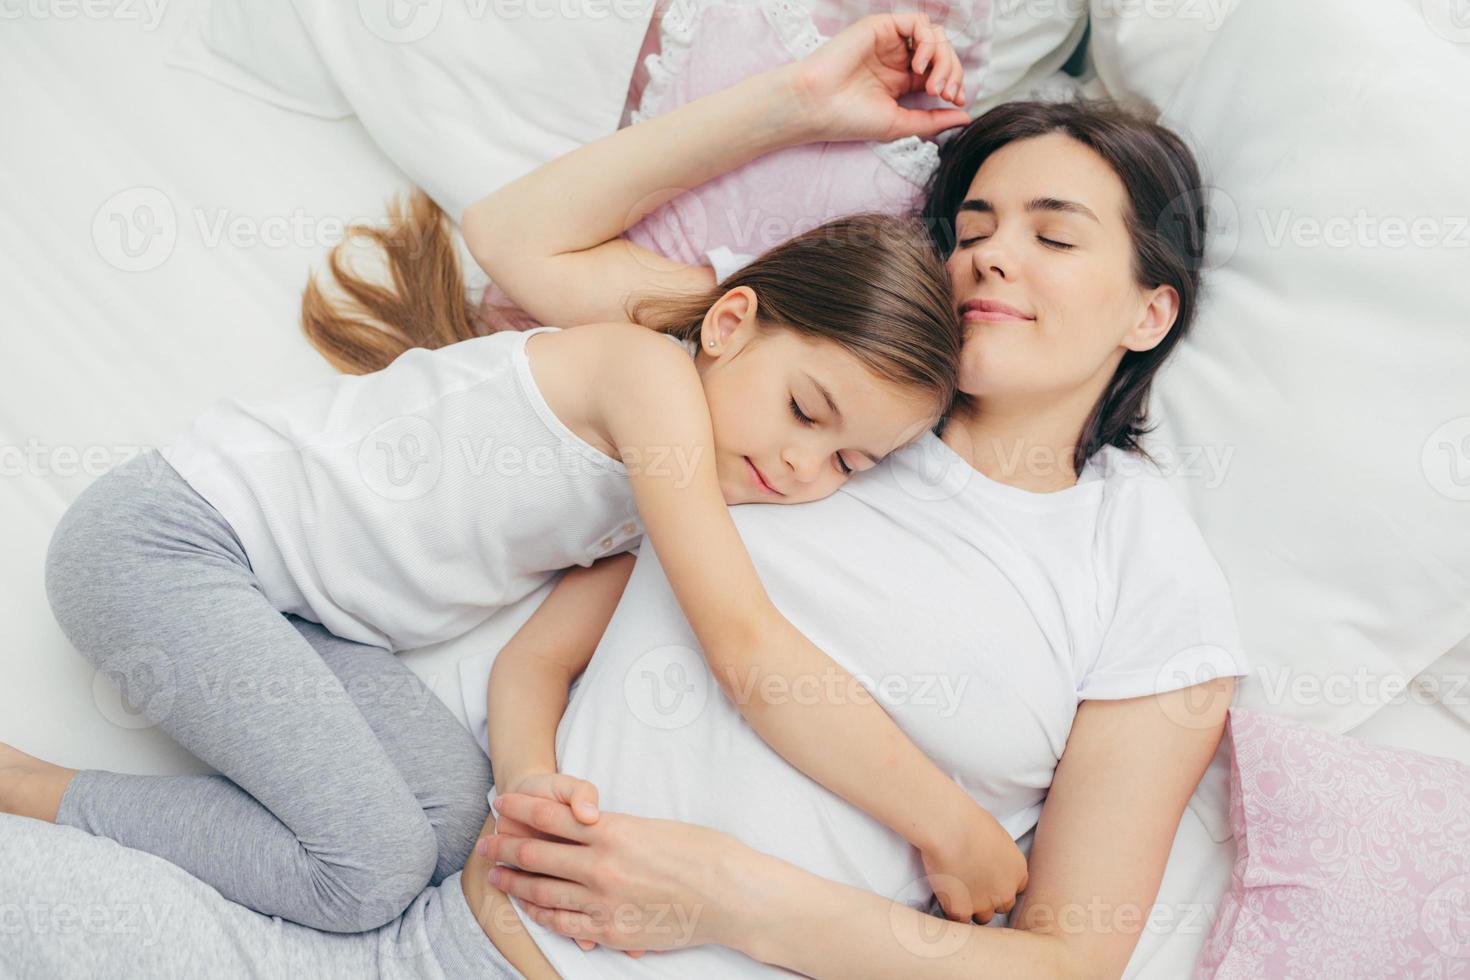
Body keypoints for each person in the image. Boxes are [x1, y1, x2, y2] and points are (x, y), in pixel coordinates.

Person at [0, 12, 1246, 979]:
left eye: (1054, 232)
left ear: (1151, 309)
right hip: (425, 942)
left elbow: (1067, 960)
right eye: (973, 221)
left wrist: (730, 894)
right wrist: (800, 99)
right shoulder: (790, 389)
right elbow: (524, 244)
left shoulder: (1140, 566)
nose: (990, 252)